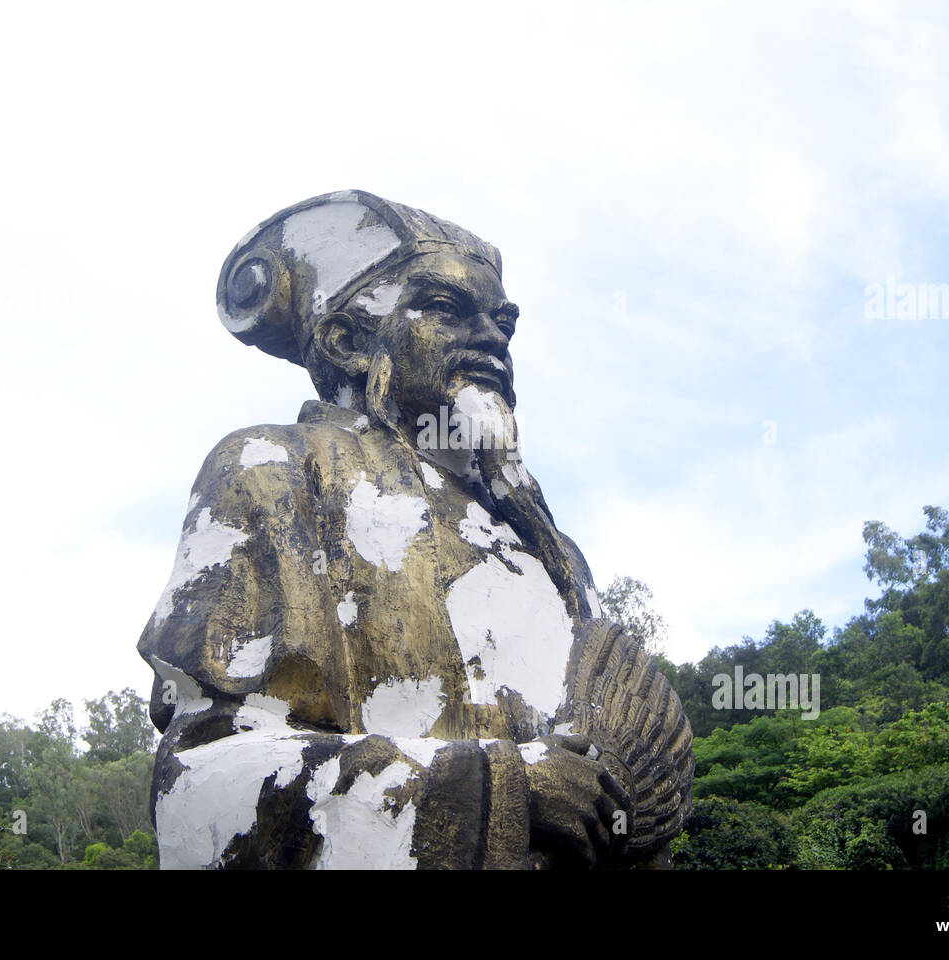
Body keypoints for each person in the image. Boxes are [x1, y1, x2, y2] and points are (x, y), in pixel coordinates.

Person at [138, 190, 692, 869]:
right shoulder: (273, 470)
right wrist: (505, 790)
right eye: (446, 310)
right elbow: (197, 789)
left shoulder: (556, 557)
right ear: (348, 341)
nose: (491, 337)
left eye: (503, 322)